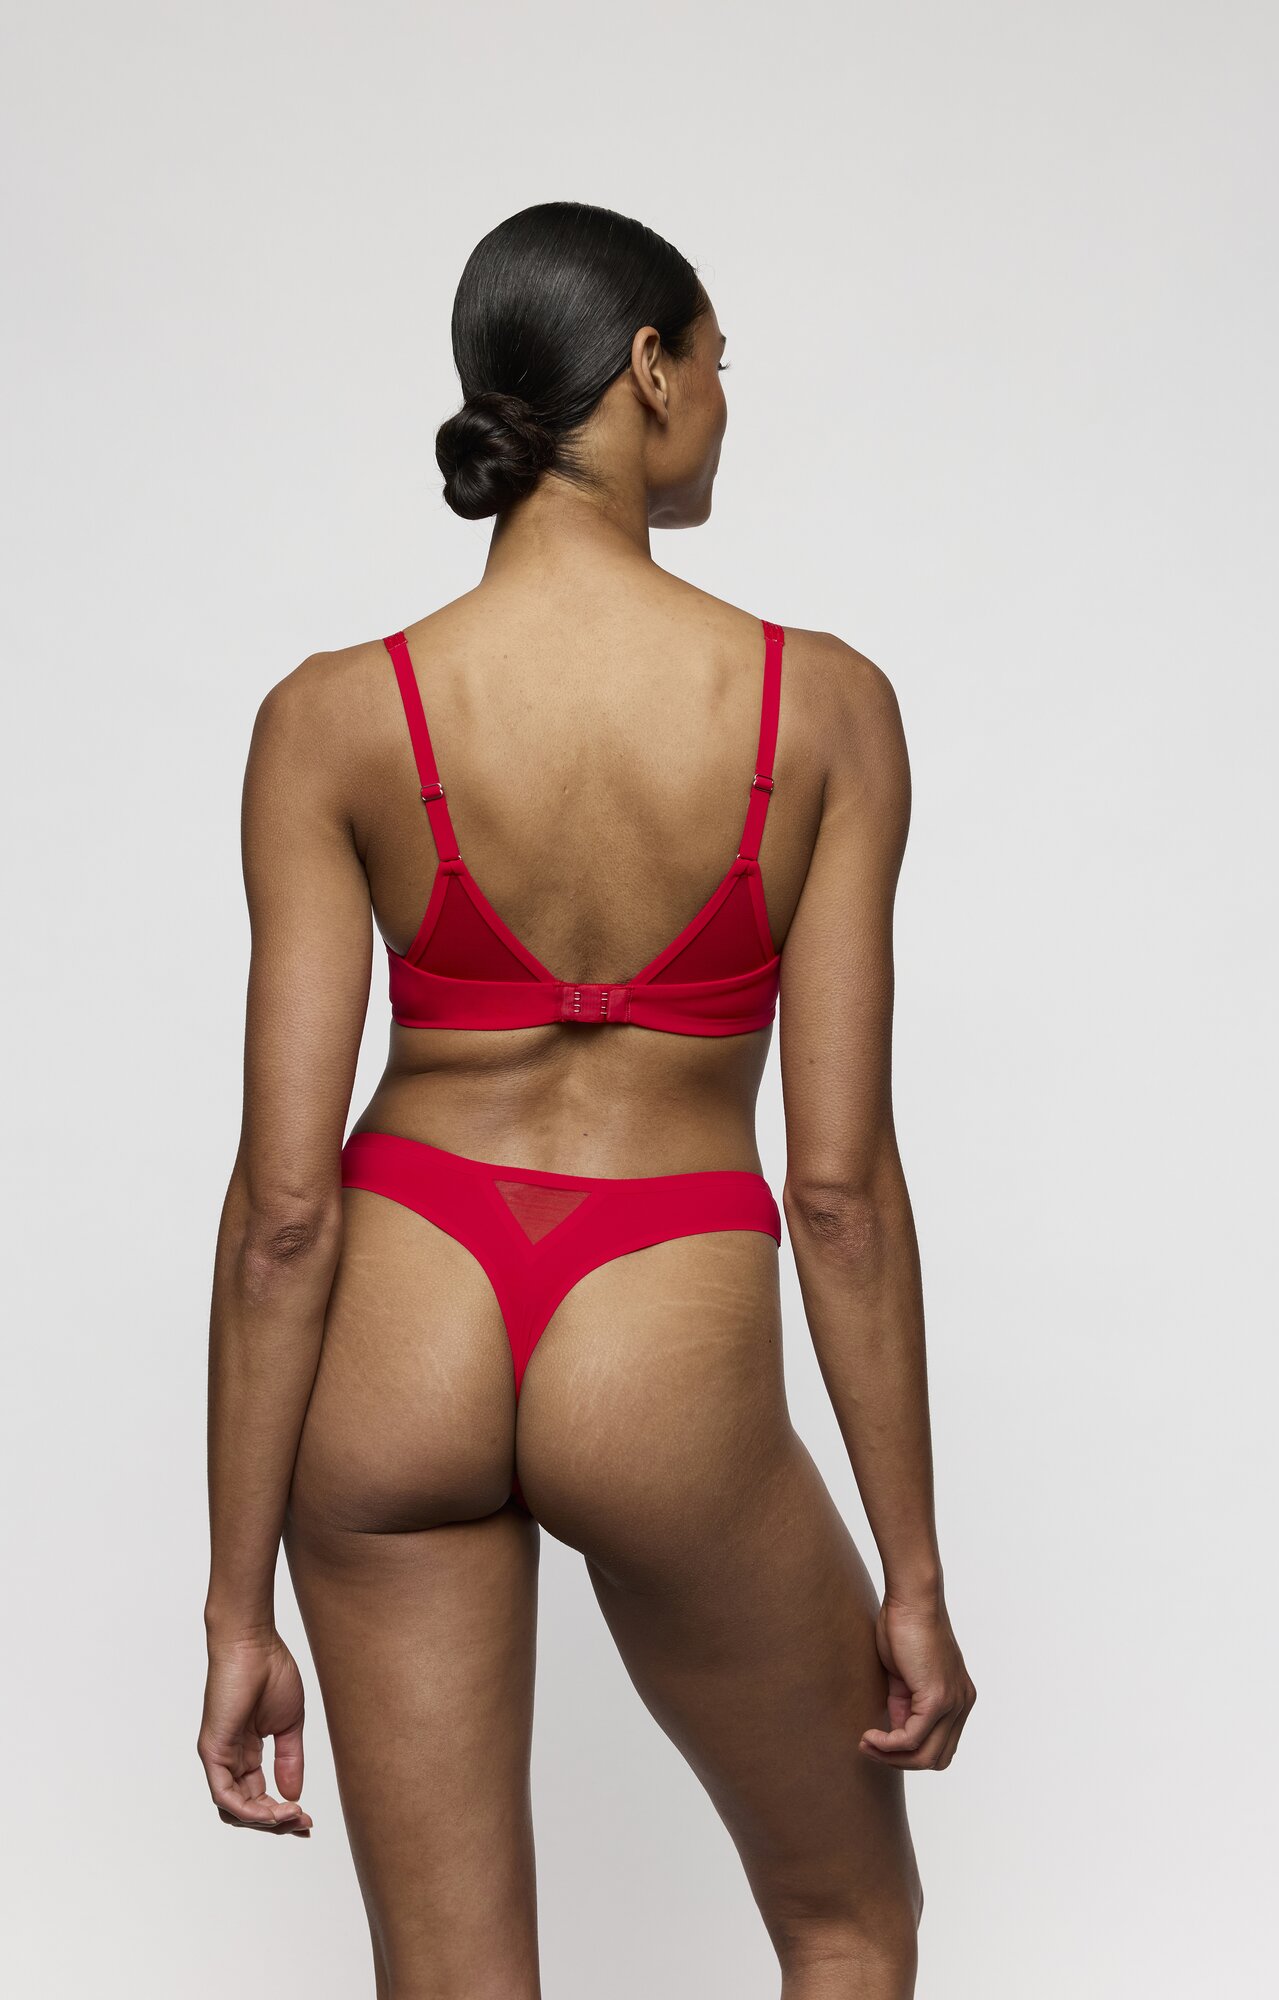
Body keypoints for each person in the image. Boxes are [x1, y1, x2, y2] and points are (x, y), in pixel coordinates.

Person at [198, 200, 975, 2000]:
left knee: (451, 1980)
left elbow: (284, 1211)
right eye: (716, 361)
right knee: (847, 1924)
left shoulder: (333, 716)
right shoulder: (822, 710)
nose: (722, 399)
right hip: (660, 1316)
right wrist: (912, 1571)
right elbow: (838, 1192)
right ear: (648, 368)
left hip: (401, 1318)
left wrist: (235, 1606)